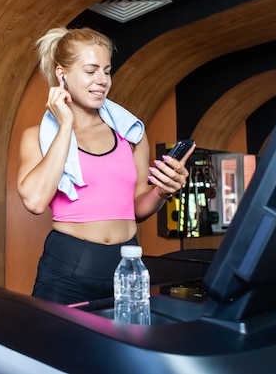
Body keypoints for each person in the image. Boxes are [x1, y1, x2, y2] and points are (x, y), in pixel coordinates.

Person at [17, 26, 195, 305]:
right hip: (67, 269)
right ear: (63, 75)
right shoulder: (37, 137)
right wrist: (65, 126)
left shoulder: (131, 134)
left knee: (126, 348)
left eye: (106, 70)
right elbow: (36, 201)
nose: (102, 80)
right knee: (56, 348)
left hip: (127, 265)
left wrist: (161, 191)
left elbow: (135, 209)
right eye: (91, 71)